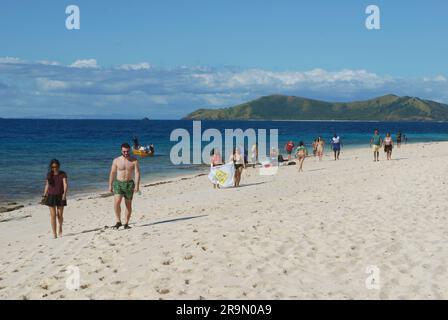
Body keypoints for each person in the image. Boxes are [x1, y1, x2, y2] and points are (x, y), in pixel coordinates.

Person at [108, 143, 141, 230]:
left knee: (128, 205)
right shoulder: (116, 160)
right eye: (124, 151)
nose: (126, 153)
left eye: (127, 151)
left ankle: (126, 223)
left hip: (129, 184)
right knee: (117, 202)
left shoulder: (134, 161)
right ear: (121, 151)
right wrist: (110, 185)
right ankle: (118, 221)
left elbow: (137, 173)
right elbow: (113, 173)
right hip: (118, 183)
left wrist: (137, 186)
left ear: (129, 150)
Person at [42, 159, 68, 239]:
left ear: (59, 166)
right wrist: (44, 195)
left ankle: (60, 226)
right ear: (51, 167)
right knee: (53, 216)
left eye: (56, 167)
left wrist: (64, 194)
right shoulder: (49, 174)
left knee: (59, 215)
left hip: (60, 196)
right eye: (53, 167)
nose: (54, 168)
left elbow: (65, 184)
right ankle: (54, 234)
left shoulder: (63, 174)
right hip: (51, 196)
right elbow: (47, 185)